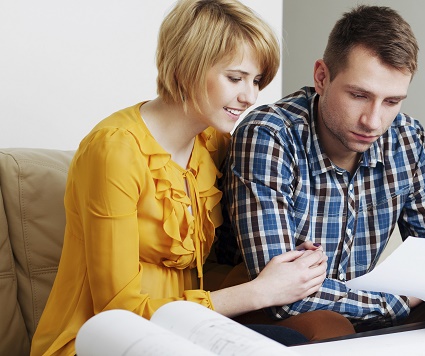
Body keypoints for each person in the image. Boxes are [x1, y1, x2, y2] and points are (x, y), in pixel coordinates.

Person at [29, 1, 325, 354]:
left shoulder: (213, 143)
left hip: (184, 331)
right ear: (188, 66)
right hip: (100, 339)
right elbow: (118, 311)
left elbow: (204, 270)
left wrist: (285, 269)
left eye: (256, 80)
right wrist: (258, 291)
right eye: (235, 78)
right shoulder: (114, 151)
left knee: (298, 341)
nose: (250, 97)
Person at [218, 5, 425, 339]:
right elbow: (284, 298)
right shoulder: (269, 135)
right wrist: (397, 302)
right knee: (328, 328)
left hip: (364, 303)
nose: (374, 121)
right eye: (359, 95)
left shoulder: (406, 137)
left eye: (392, 101)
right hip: (275, 312)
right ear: (322, 77)